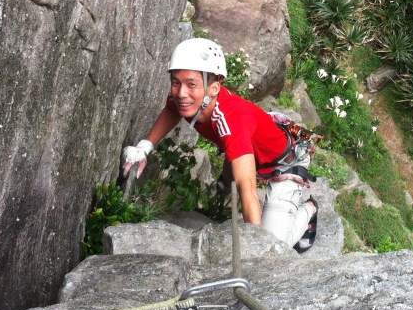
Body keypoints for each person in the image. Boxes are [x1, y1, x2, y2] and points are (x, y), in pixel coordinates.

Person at [122, 38, 318, 252]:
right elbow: (171, 110)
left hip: (284, 162)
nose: (181, 93)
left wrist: (258, 248)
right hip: (248, 148)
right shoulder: (189, 100)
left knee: (276, 244)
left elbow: (248, 188)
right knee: (232, 176)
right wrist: (144, 147)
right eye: (176, 82)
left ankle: (310, 210)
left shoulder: (231, 120)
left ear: (214, 87)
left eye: (191, 84)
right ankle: (225, 193)